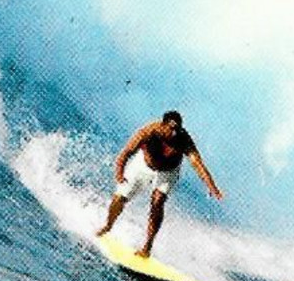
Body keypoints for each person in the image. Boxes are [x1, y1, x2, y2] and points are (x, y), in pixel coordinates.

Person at [96, 110, 223, 257]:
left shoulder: (184, 140)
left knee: (158, 201)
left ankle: (147, 247)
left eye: (177, 129)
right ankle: (108, 225)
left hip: (168, 172)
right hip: (142, 166)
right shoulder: (148, 132)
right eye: (171, 129)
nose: (174, 133)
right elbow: (126, 152)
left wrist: (211, 187)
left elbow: (197, 164)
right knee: (119, 198)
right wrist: (119, 173)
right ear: (163, 125)